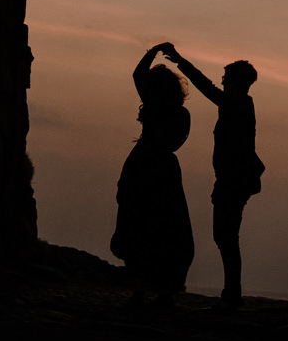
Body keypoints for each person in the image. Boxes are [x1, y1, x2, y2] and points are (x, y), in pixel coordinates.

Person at [160, 43, 263, 309]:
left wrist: (181, 61)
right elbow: (208, 86)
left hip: (234, 181)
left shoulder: (237, 105)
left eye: (226, 78)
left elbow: (204, 85)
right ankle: (232, 291)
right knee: (226, 236)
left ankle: (232, 293)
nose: (222, 81)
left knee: (226, 236)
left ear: (236, 82)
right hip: (232, 180)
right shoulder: (237, 104)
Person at [108, 44, 195, 306]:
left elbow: (137, 74)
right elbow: (176, 143)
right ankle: (165, 290)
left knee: (137, 224)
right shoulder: (180, 113)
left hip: (143, 164)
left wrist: (154, 50)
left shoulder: (155, 107)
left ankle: (139, 288)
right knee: (168, 228)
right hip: (163, 168)